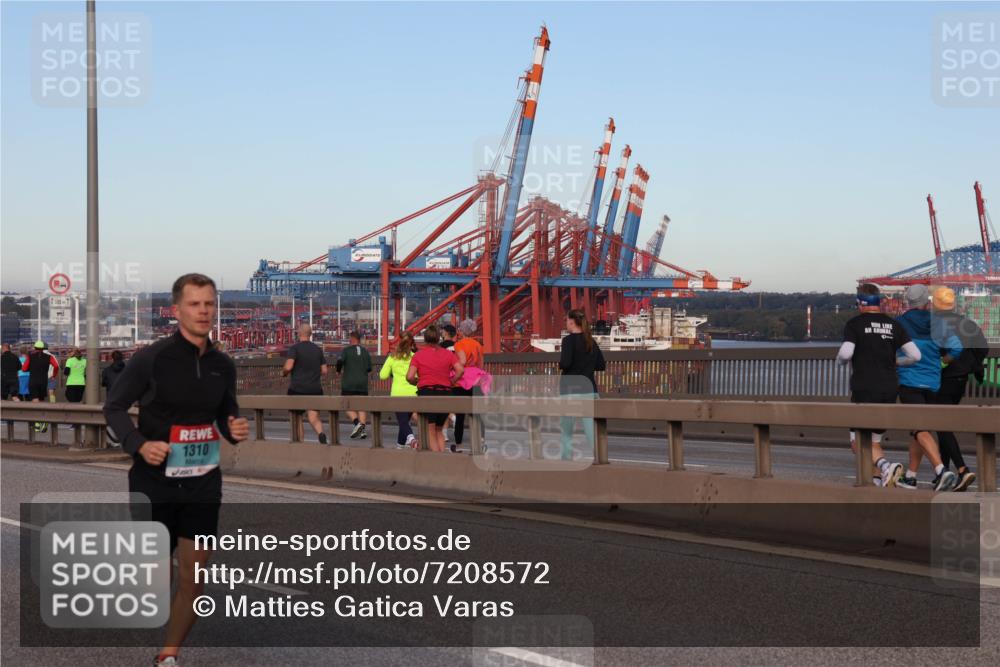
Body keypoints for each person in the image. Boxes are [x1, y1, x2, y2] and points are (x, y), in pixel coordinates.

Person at [104, 273, 249, 667]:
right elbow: (114, 408)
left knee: (193, 576)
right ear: (176, 311)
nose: (204, 311)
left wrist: (234, 429)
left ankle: (169, 654)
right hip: (154, 481)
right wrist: (138, 444)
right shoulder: (151, 359)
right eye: (194, 304)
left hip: (203, 482)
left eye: (210, 304)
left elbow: (227, 414)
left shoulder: (223, 365)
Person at [836, 284, 918, 487]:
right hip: (890, 388)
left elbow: (846, 353)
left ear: (861, 303)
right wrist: (897, 362)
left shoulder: (854, 324)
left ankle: (884, 466)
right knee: (873, 441)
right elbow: (915, 355)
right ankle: (877, 479)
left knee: (857, 442)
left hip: (864, 388)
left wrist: (840, 361)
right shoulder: (894, 325)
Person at [894, 284, 962, 491]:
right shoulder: (938, 322)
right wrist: (943, 362)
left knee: (919, 428)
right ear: (927, 301)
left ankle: (941, 470)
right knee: (918, 430)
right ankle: (911, 477)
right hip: (933, 382)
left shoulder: (899, 323)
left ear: (908, 302)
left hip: (908, 380)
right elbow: (957, 348)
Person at [931, 287, 987, 492]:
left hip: (942, 378)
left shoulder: (936, 324)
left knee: (941, 424)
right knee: (943, 424)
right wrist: (972, 364)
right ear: (953, 303)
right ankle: (943, 473)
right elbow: (983, 348)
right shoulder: (968, 323)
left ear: (935, 304)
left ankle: (961, 469)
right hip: (961, 380)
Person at [407, 325, 464, 452]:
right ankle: (442, 460)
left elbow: (410, 376)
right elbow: (460, 370)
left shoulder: (418, 355)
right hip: (445, 393)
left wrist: (418, 381)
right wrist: (452, 382)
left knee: (430, 430)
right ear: (439, 338)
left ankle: (437, 461)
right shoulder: (448, 354)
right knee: (439, 430)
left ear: (425, 339)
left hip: (427, 393)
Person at [558, 309, 606, 461]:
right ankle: (599, 458)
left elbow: (565, 363)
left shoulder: (568, 341)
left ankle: (566, 459)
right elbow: (601, 365)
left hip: (570, 391)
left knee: (567, 430)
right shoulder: (591, 341)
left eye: (567, 320)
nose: (566, 323)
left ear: (572, 322)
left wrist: (561, 365)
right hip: (588, 389)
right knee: (591, 429)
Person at [283, 324, 329, 444]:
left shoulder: (295, 348)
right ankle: (321, 434)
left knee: (297, 418)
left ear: (299, 333)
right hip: (315, 389)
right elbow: (324, 370)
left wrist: (284, 372)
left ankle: (300, 443)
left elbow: (288, 366)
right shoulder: (317, 350)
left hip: (297, 389)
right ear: (311, 334)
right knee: (313, 417)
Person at [379, 332, 419, 449]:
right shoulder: (415, 357)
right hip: (413, 393)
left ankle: (411, 439)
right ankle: (399, 446)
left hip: (398, 393)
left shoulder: (392, 357)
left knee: (403, 422)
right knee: (404, 421)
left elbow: (382, 375)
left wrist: (393, 372)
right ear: (411, 344)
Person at [452, 319, 485, 451]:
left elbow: (462, 361)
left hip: (461, 381)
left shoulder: (459, 345)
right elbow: (481, 365)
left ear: (462, 331)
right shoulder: (478, 345)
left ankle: (459, 444)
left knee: (460, 415)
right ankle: (480, 440)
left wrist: (454, 377)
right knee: (476, 413)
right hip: (475, 380)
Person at [336, 331, 372, 439]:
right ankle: (362, 431)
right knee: (362, 407)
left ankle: (357, 424)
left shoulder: (346, 351)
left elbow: (339, 361)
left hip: (349, 383)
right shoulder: (365, 351)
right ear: (359, 339)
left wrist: (338, 371)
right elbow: (369, 368)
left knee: (345, 404)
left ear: (351, 339)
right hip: (362, 383)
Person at [22, 341, 59, 432]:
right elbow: (56, 366)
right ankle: (43, 423)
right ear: (43, 348)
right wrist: (54, 375)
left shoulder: (30, 357)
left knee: (35, 402)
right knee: (42, 402)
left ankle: (38, 425)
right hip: (43, 382)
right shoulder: (49, 357)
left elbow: (24, 369)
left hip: (33, 381)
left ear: (35, 348)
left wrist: (31, 368)